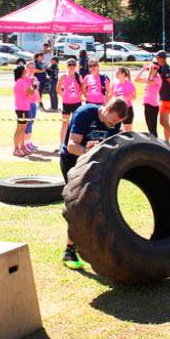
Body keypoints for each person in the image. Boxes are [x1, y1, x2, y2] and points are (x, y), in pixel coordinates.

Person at [59, 99, 128, 269]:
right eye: (113, 120)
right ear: (106, 108)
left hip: (95, 163)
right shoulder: (85, 113)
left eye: (117, 122)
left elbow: (114, 145)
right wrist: (88, 152)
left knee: (102, 204)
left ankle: (103, 247)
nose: (113, 124)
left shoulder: (113, 124)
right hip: (73, 161)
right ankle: (70, 250)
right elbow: (72, 146)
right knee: (78, 206)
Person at [57, 58, 84, 147]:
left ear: (75, 66)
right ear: (67, 66)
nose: (72, 67)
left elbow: (82, 88)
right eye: (70, 65)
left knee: (76, 122)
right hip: (67, 103)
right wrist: (64, 95)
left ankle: (75, 142)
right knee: (65, 123)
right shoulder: (63, 76)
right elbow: (58, 88)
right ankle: (62, 143)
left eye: (73, 65)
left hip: (77, 103)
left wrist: (80, 94)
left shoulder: (78, 76)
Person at [155, 50, 170, 149]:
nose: (156, 59)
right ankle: (167, 142)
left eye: (157, 57)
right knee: (165, 122)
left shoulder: (166, 70)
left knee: (163, 122)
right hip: (164, 97)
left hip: (167, 98)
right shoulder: (162, 68)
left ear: (160, 58)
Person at [12, 64, 35, 157]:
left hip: (24, 108)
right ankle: (16, 149)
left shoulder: (21, 81)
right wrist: (32, 87)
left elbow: (30, 93)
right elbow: (31, 92)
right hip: (21, 108)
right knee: (19, 129)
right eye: (25, 71)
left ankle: (22, 147)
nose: (26, 72)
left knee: (23, 129)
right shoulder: (21, 82)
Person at [135, 60, 162, 138]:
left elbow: (148, 81)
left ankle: (156, 144)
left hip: (153, 106)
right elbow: (136, 79)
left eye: (153, 68)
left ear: (156, 69)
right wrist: (143, 69)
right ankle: (154, 142)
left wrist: (150, 71)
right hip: (146, 105)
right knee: (149, 127)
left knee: (153, 128)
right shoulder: (149, 78)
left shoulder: (158, 79)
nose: (150, 70)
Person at [113, 66, 137, 132]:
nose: (117, 74)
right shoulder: (115, 84)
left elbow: (134, 97)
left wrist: (126, 98)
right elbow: (110, 96)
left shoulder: (130, 84)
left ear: (124, 74)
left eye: (119, 73)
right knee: (117, 130)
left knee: (128, 131)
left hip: (127, 109)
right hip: (117, 109)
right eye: (117, 73)